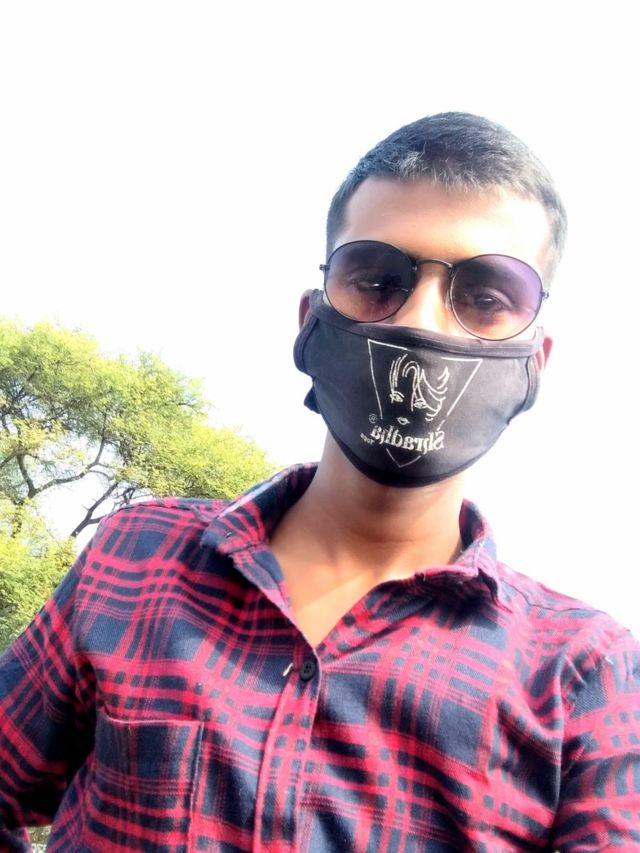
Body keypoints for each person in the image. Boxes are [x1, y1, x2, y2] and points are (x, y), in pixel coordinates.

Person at [1, 112, 639, 852]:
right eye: (378, 280)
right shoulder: (137, 557)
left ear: (535, 361)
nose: (423, 323)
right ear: (310, 319)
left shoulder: (582, 673)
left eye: (486, 297)